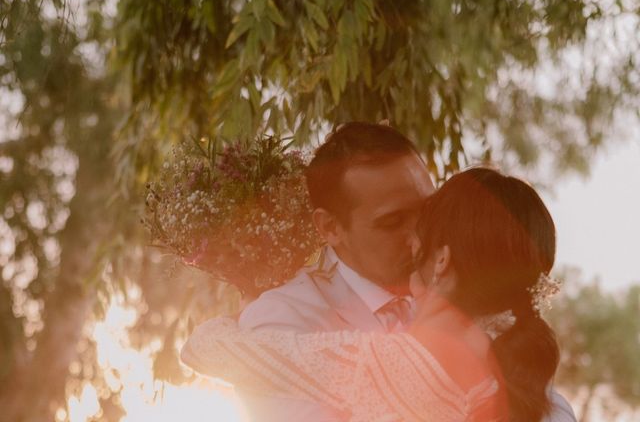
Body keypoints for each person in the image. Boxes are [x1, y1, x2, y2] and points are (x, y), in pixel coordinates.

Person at [183, 123, 576, 421]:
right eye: (392, 222)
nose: (415, 239)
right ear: (329, 228)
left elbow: (204, 349)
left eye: (426, 214)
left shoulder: (485, 317)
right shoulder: (284, 316)